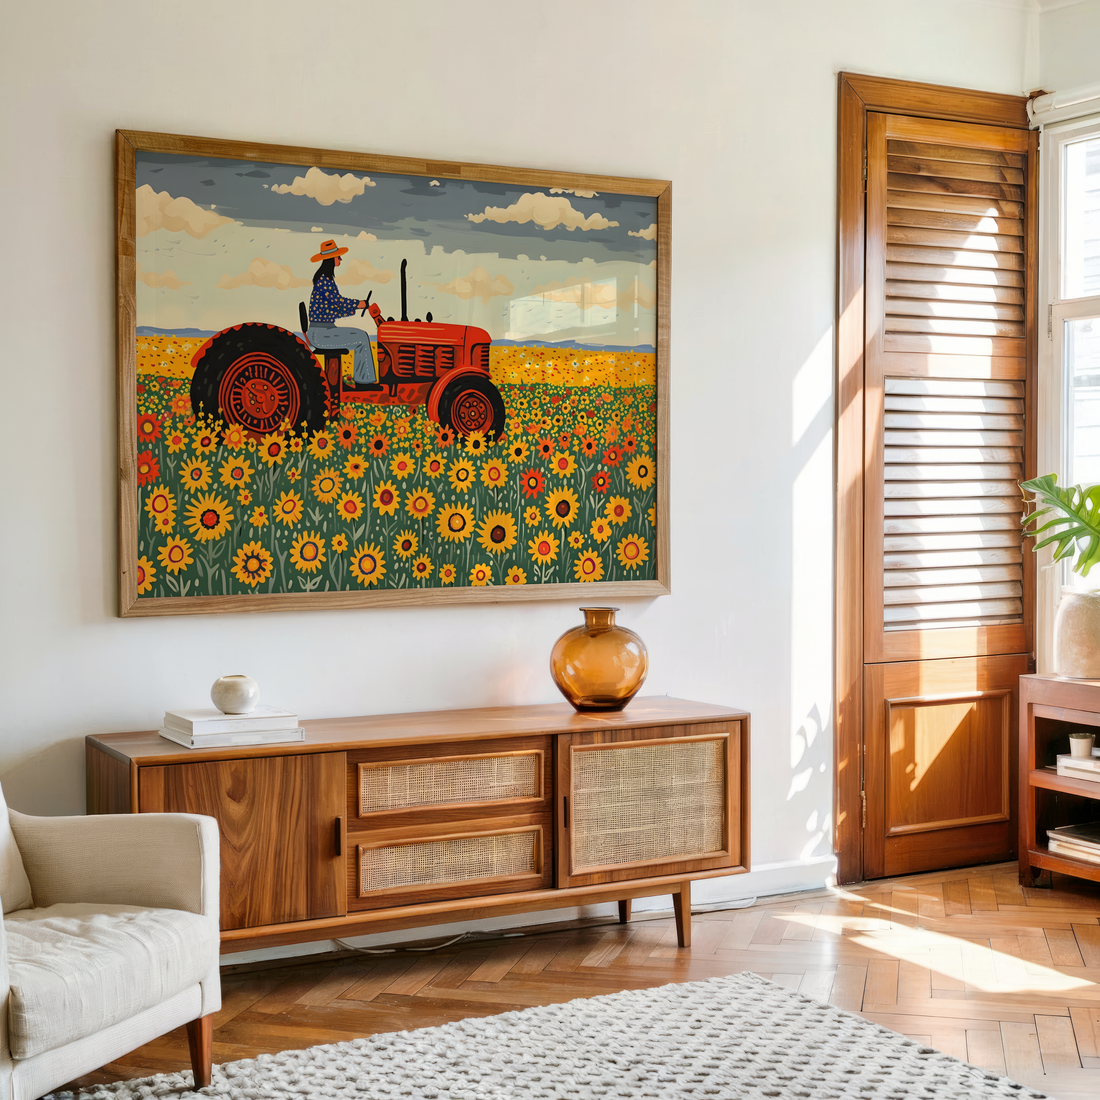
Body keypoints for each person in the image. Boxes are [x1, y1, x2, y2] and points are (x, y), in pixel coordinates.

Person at [307, 240, 379, 389]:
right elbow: (338, 302)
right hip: (321, 333)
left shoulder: (325, 280)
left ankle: (361, 380)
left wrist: (357, 307)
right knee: (361, 337)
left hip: (324, 330)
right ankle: (363, 382)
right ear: (330, 259)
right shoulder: (324, 281)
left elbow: (335, 310)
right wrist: (358, 304)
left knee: (361, 335)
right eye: (338, 256)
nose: (340, 259)